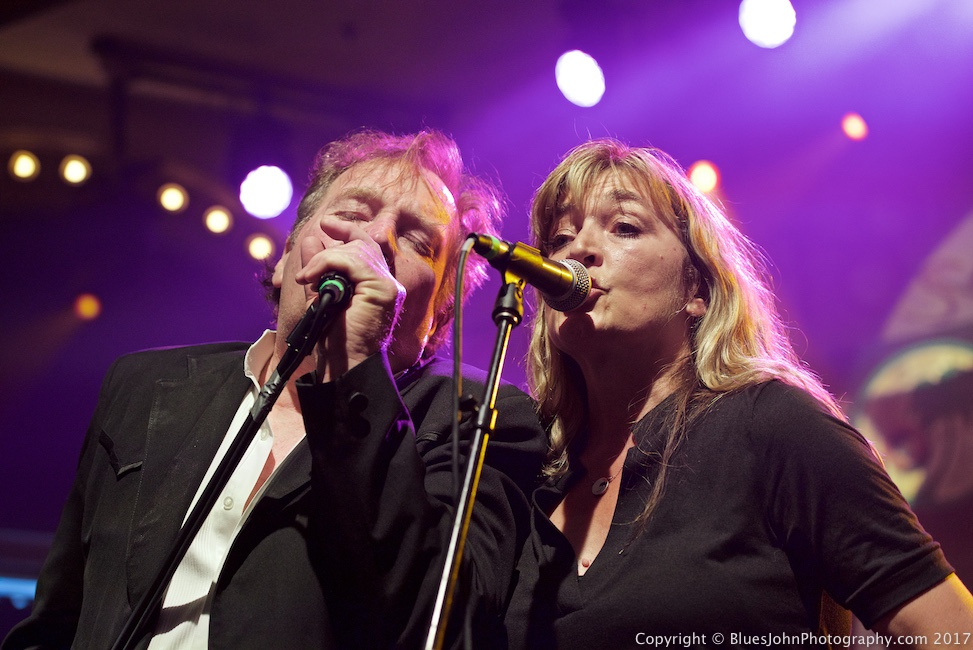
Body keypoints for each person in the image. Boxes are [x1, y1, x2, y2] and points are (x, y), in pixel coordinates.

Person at [3, 129, 547, 649]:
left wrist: (358, 361)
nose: (373, 238)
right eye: (350, 215)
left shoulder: (480, 417)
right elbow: (56, 624)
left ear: (439, 313)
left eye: (414, 240)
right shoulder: (141, 387)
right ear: (288, 257)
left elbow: (438, 624)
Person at [501, 139, 973, 649]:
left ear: (696, 290)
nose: (577, 251)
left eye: (625, 227)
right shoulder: (528, 470)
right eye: (559, 237)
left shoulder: (774, 425)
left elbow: (949, 630)